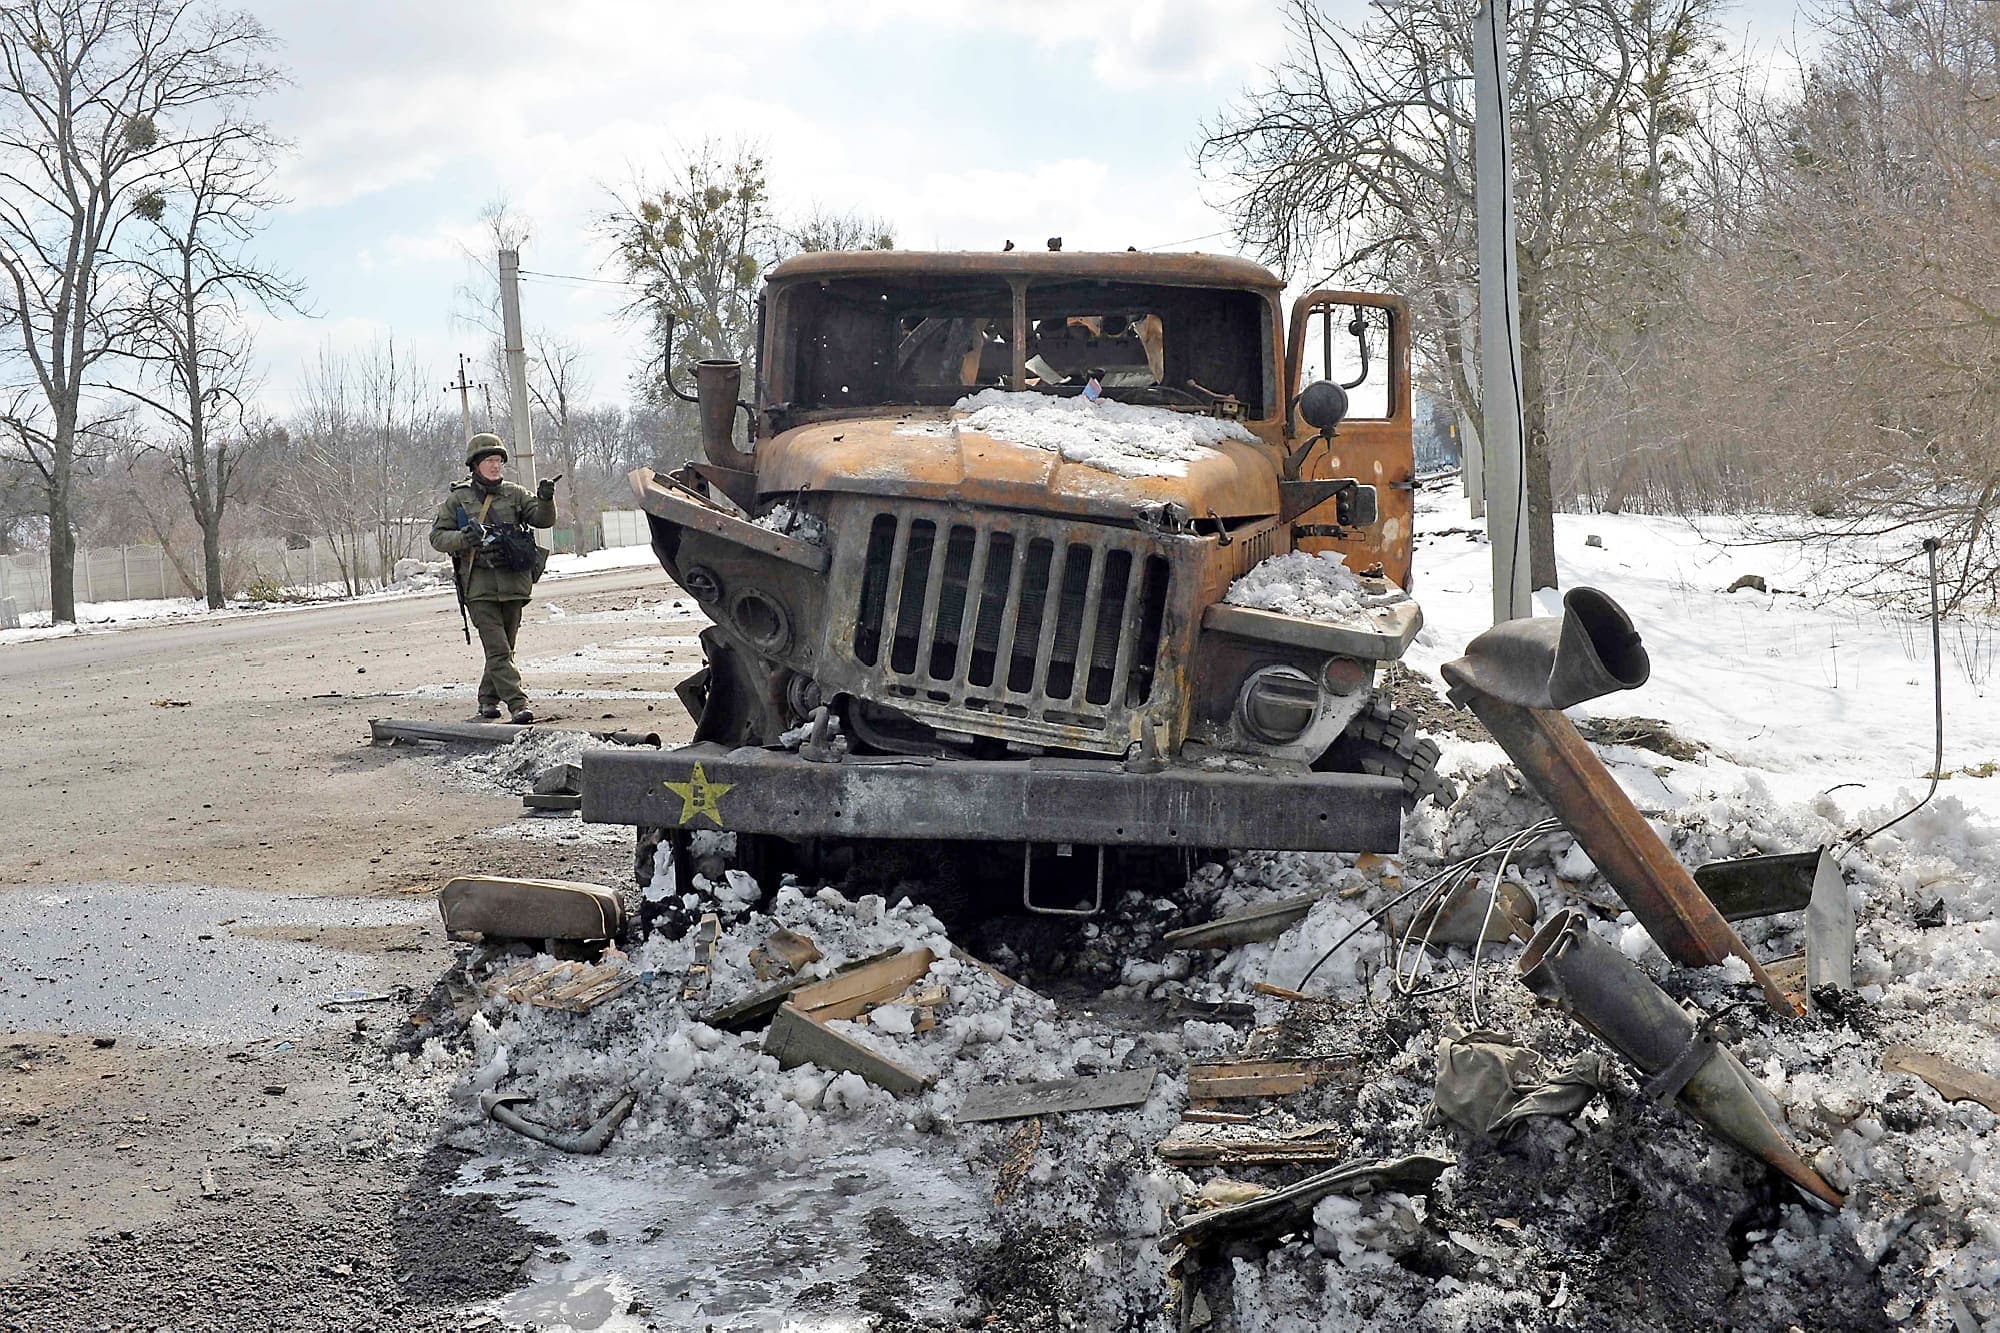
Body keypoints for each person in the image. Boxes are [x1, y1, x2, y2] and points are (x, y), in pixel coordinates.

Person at [430, 434, 556, 723]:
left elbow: (542, 519)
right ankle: (518, 704)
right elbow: (437, 537)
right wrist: (464, 537)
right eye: (489, 460)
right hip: (480, 587)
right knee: (499, 649)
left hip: (514, 583)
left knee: (504, 648)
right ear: (475, 464)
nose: (495, 466)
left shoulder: (515, 494)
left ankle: (487, 700)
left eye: (498, 460)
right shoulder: (459, 499)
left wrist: (546, 499)